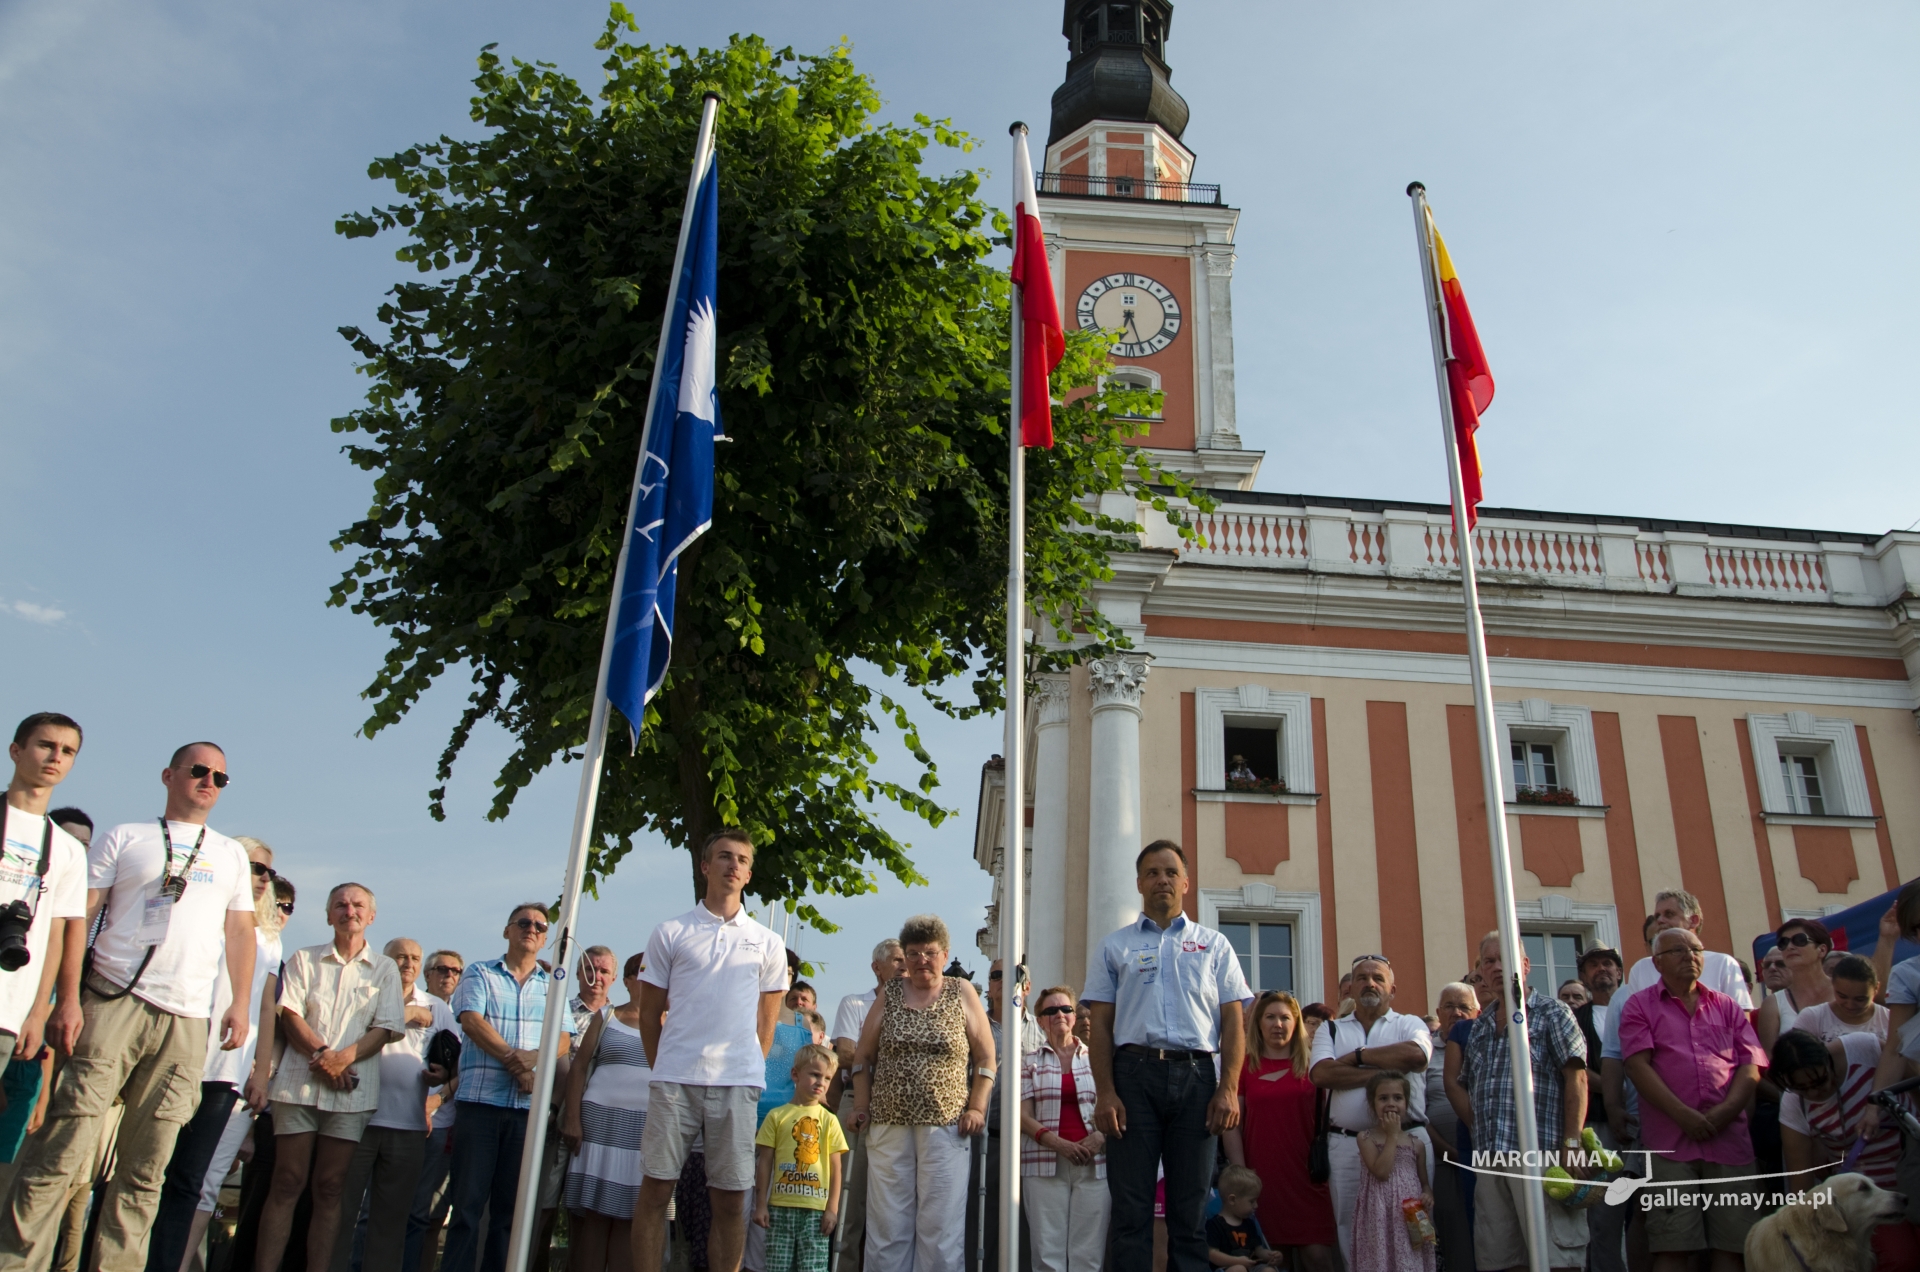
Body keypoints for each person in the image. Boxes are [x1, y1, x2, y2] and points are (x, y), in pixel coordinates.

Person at [0, 741, 257, 1269]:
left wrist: (239, 1004)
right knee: (64, 1147)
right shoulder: (126, 836)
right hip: (115, 999)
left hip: (187, 1020)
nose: (209, 782)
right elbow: (78, 917)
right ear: (169, 775)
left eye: (220, 778)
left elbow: (240, 932)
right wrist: (66, 998)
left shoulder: (230, 852)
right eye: (198, 771)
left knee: (147, 1169)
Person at [1084, 841, 1250, 1272]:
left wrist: (1228, 1089)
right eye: (1153, 873)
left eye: (1170, 872)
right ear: (1139, 883)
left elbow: (1233, 1024)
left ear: (1186, 882)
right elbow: (1100, 1027)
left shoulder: (1215, 946)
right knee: (1131, 1210)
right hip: (1132, 1076)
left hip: (1197, 1078)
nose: (1162, 880)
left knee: (1190, 1211)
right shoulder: (1113, 947)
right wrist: (1105, 1093)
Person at [633, 830, 789, 1272]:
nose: (733, 865)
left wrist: (748, 1067)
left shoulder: (769, 942)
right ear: (705, 866)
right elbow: (649, 1016)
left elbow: (767, 1021)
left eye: (741, 859)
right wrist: (663, 1066)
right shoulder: (670, 931)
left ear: (749, 874)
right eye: (724, 856)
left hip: (736, 1083)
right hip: (675, 1078)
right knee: (656, 1191)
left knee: (731, 1198)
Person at [146, 836, 283, 1272]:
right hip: (180, 1054)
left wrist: (260, 1071)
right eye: (255, 867)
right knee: (149, 1171)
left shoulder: (269, 939)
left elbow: (266, 1009)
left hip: (229, 1072)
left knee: (196, 1181)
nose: (263, 878)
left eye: (269, 872)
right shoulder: (202, 914)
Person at [255, 883, 405, 1272]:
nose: (349, 910)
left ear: (371, 916)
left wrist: (344, 1059)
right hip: (296, 1083)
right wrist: (324, 1056)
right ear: (328, 915)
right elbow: (289, 1014)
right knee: (286, 1182)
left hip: (352, 1091)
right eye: (340, 904)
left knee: (330, 1187)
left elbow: (386, 1026)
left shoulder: (385, 968)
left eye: (357, 905)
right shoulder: (304, 959)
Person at [849, 914, 994, 1272]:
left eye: (929, 952)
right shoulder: (890, 993)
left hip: (946, 1125)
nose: (921, 961)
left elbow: (987, 1057)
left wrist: (976, 1107)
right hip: (888, 1122)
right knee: (887, 1224)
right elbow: (863, 1057)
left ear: (944, 955)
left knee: (940, 1227)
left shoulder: (962, 992)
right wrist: (862, 1105)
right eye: (912, 954)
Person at [1618, 927, 1765, 1272]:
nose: (1691, 956)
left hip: (1729, 1142)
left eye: (1697, 949)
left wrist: (1727, 1111)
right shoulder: (1639, 1005)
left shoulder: (1727, 1005)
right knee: (1672, 1247)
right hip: (1670, 1144)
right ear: (1657, 962)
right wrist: (1684, 1116)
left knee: (1734, 1247)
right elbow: (1637, 1067)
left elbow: (1751, 1066)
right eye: (1679, 951)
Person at [444, 903, 579, 1272]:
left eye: (539, 925)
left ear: (546, 938)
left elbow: (565, 1038)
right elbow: (471, 1021)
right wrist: (514, 1062)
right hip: (479, 1107)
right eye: (523, 923)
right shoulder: (480, 973)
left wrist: (534, 1058)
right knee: (467, 1207)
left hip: (526, 1115)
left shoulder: (554, 984)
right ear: (507, 931)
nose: (531, 929)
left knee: (509, 1212)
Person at [1456, 932, 1589, 1272]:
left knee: (1556, 1260)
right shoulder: (1480, 1026)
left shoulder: (1552, 1012)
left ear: (1526, 966)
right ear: (1481, 973)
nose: (1498, 968)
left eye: (1507, 960)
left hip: (1540, 1154)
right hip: (1490, 1159)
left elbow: (1577, 1078)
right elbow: (1471, 1091)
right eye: (1489, 962)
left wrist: (1572, 1142)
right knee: (1500, 1262)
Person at [331, 936, 456, 1272]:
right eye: (400, 957)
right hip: (357, 1118)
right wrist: (408, 1012)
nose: (408, 964)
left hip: (410, 1126)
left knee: (392, 1219)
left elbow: (456, 1062)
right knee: (342, 1210)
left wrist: (442, 1075)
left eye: (415, 958)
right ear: (384, 960)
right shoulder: (364, 995)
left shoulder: (437, 1007)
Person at [1309, 955, 1431, 1269]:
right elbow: (1322, 1075)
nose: (1369, 983)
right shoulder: (1331, 1030)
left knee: (1415, 1226)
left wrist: (1359, 1056)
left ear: (1393, 988)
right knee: (1352, 1228)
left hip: (1408, 1143)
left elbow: (1416, 1055)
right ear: (1351, 987)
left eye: (1377, 977)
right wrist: (1384, 1078)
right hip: (1346, 1146)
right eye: (1362, 977)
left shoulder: (1409, 1024)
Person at [0, 715, 86, 1092]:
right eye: (46, 745)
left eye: (67, 751)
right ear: (16, 751)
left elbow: (56, 935)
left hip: (8, 1008)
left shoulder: (68, 849)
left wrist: (37, 1012)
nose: (56, 757)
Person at [1222, 991, 1332, 1272]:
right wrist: (1241, 1172)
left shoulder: (1314, 1067)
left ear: (1296, 1024)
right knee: (1273, 1259)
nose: (1277, 1024)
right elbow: (1233, 1123)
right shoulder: (1245, 1067)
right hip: (1263, 1179)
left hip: (1310, 1177)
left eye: (1285, 1017)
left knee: (1317, 1257)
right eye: (1270, 1017)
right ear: (1259, 1023)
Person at [562, 951, 652, 1272]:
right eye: (642, 973)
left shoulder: (674, 1024)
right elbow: (578, 1068)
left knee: (633, 1218)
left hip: (644, 1134)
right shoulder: (607, 1017)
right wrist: (572, 1118)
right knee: (594, 1219)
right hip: (599, 1128)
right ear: (627, 981)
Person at [1019, 987, 1107, 1272]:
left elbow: (1118, 1107)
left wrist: (1100, 1136)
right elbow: (1022, 1116)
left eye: (1066, 1009)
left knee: (1088, 1255)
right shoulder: (1028, 1062)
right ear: (1040, 1020)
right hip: (1044, 1166)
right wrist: (1058, 1144)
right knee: (1047, 1255)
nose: (1059, 1014)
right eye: (1051, 1011)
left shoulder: (1100, 1060)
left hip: (1094, 1164)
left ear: (1074, 1016)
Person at [831, 940, 904, 1272]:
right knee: (850, 1200)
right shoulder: (855, 1003)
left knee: (891, 1203)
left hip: (898, 1109)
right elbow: (845, 1055)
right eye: (897, 960)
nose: (905, 966)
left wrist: (869, 1052)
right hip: (856, 1103)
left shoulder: (915, 1006)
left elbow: (858, 1052)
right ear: (877, 967)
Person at [753, 1044, 849, 1272]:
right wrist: (760, 1206)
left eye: (827, 1078)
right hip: (779, 1209)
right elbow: (764, 1163)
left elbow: (836, 1169)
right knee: (777, 1267)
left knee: (812, 1268)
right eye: (815, 1075)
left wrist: (832, 1210)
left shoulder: (829, 1120)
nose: (821, 1083)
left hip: (815, 1212)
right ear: (795, 1074)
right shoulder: (777, 1116)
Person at [403, 948, 465, 1272]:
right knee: (399, 1208)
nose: (449, 976)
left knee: (432, 1215)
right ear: (427, 974)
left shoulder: (466, 1018)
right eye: (442, 969)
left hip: (451, 1127)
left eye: (456, 971)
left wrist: (442, 1092)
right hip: (408, 1119)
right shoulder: (419, 1006)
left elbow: (464, 1072)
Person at [981, 957, 1039, 1272]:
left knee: (1028, 1225)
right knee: (984, 1224)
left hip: (1029, 1143)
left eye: (1016, 975)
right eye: (997, 975)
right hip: (986, 1140)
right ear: (989, 986)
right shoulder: (975, 1025)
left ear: (1027, 986)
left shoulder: (1041, 1030)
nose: (1005, 980)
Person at [1572, 947, 1624, 1272]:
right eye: (1593, 965)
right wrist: (1616, 1091)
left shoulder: (1641, 1008)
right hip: (1599, 1128)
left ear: (1620, 972)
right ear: (1583, 976)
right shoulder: (1576, 1018)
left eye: (1608, 963)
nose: (1601, 969)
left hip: (1652, 1123)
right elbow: (1575, 1067)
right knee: (1603, 1218)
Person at [1352, 1072, 1435, 1272]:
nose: (1391, 1103)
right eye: (1383, 1098)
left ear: (1406, 1103)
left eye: (1397, 1098)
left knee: (1410, 1260)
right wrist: (1392, 1136)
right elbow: (1381, 1172)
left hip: (1409, 1217)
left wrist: (1427, 1194)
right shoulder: (1366, 1138)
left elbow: (1424, 1181)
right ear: (1373, 1104)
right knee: (1381, 1260)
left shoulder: (1417, 1144)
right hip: (1380, 1214)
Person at [1618, 891, 1752, 1009]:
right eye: (1657, 915)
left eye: (1669, 914)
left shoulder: (1724, 964)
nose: (1660, 920)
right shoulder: (1641, 969)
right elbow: (1636, 1023)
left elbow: (1742, 1024)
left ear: (1693, 921)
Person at [1420, 984, 1474, 1272]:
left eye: (1464, 1007)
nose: (1457, 1012)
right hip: (1443, 1160)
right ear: (1439, 1012)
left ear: (1476, 1012)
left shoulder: (1484, 1045)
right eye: (1450, 1006)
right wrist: (1448, 1151)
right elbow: (1417, 1111)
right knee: (1454, 1235)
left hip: (1484, 1158)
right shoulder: (1425, 1049)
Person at [1754, 918, 1833, 1052]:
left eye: (1799, 940)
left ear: (1822, 950)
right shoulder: (1773, 1004)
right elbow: (1771, 1062)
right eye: (1783, 943)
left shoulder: (1845, 990)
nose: (1790, 947)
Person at [1790, 955, 1887, 1042]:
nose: (1850, 1005)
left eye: (1860, 999)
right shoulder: (1812, 1018)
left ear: (1876, 988)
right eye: (1842, 996)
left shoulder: (1889, 1020)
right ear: (1833, 985)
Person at [1203, 1166, 1277, 1269]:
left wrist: (1270, 1256)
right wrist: (1237, 1261)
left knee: (1268, 1270)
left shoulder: (1249, 1223)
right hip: (1226, 1268)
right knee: (1239, 1269)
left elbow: (1258, 1250)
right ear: (1232, 1200)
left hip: (1250, 1267)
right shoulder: (1214, 1225)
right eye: (1252, 1201)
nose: (1256, 1205)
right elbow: (1211, 1254)